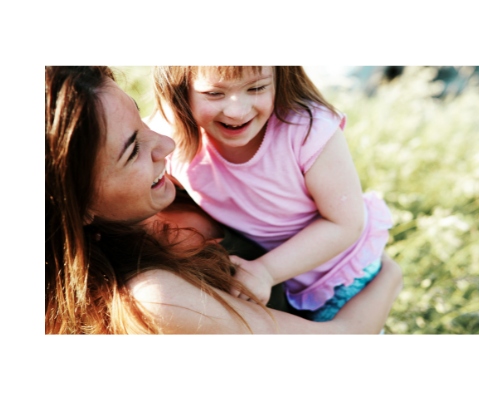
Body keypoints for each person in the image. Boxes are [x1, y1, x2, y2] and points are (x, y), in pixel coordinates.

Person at [45, 65, 404, 335]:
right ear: (74, 205)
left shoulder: (163, 191)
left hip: (340, 274)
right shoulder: (155, 295)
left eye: (140, 117)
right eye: (132, 150)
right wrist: (390, 276)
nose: (167, 143)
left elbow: (340, 218)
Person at [149, 65, 393, 321]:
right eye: (213, 93)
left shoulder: (307, 129)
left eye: (256, 88)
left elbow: (346, 222)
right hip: (285, 281)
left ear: (281, 78)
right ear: (178, 91)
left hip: (343, 276)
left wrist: (266, 271)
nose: (237, 111)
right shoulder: (170, 137)